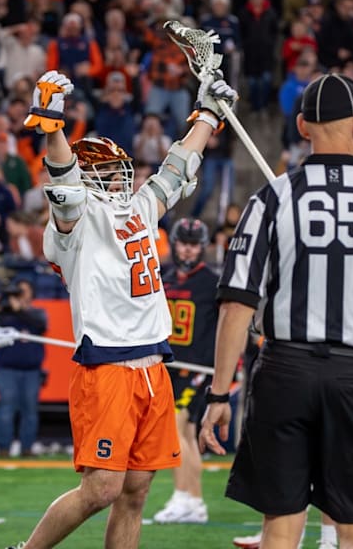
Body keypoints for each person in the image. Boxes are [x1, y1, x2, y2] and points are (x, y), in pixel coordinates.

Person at [199, 73, 353, 549]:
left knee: (282, 525)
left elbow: (236, 307)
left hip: (285, 371)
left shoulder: (272, 199)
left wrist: (220, 395)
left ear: (304, 127)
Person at [7, 67, 233, 549]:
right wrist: (53, 125)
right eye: (108, 173)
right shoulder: (75, 220)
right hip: (107, 364)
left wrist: (209, 116)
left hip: (153, 364)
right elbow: (64, 188)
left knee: (136, 490)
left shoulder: (138, 208)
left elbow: (176, 169)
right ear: (88, 176)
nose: (119, 178)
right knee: (102, 488)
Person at [151, 219, 218, 525]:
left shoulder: (211, 282)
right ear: (175, 243)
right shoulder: (165, 277)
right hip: (171, 365)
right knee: (187, 434)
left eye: (194, 244)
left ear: (202, 247)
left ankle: (182, 497)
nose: (188, 250)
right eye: (183, 243)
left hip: (195, 368)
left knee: (177, 430)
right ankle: (194, 501)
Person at [0, 280, 49, 458]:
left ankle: (27, 447)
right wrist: (5, 303)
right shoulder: (4, 314)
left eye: (24, 291)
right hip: (7, 369)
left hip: (31, 370)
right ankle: (3, 448)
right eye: (18, 291)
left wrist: (19, 309)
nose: (21, 294)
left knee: (30, 410)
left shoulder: (38, 313)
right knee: (6, 408)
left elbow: (40, 326)